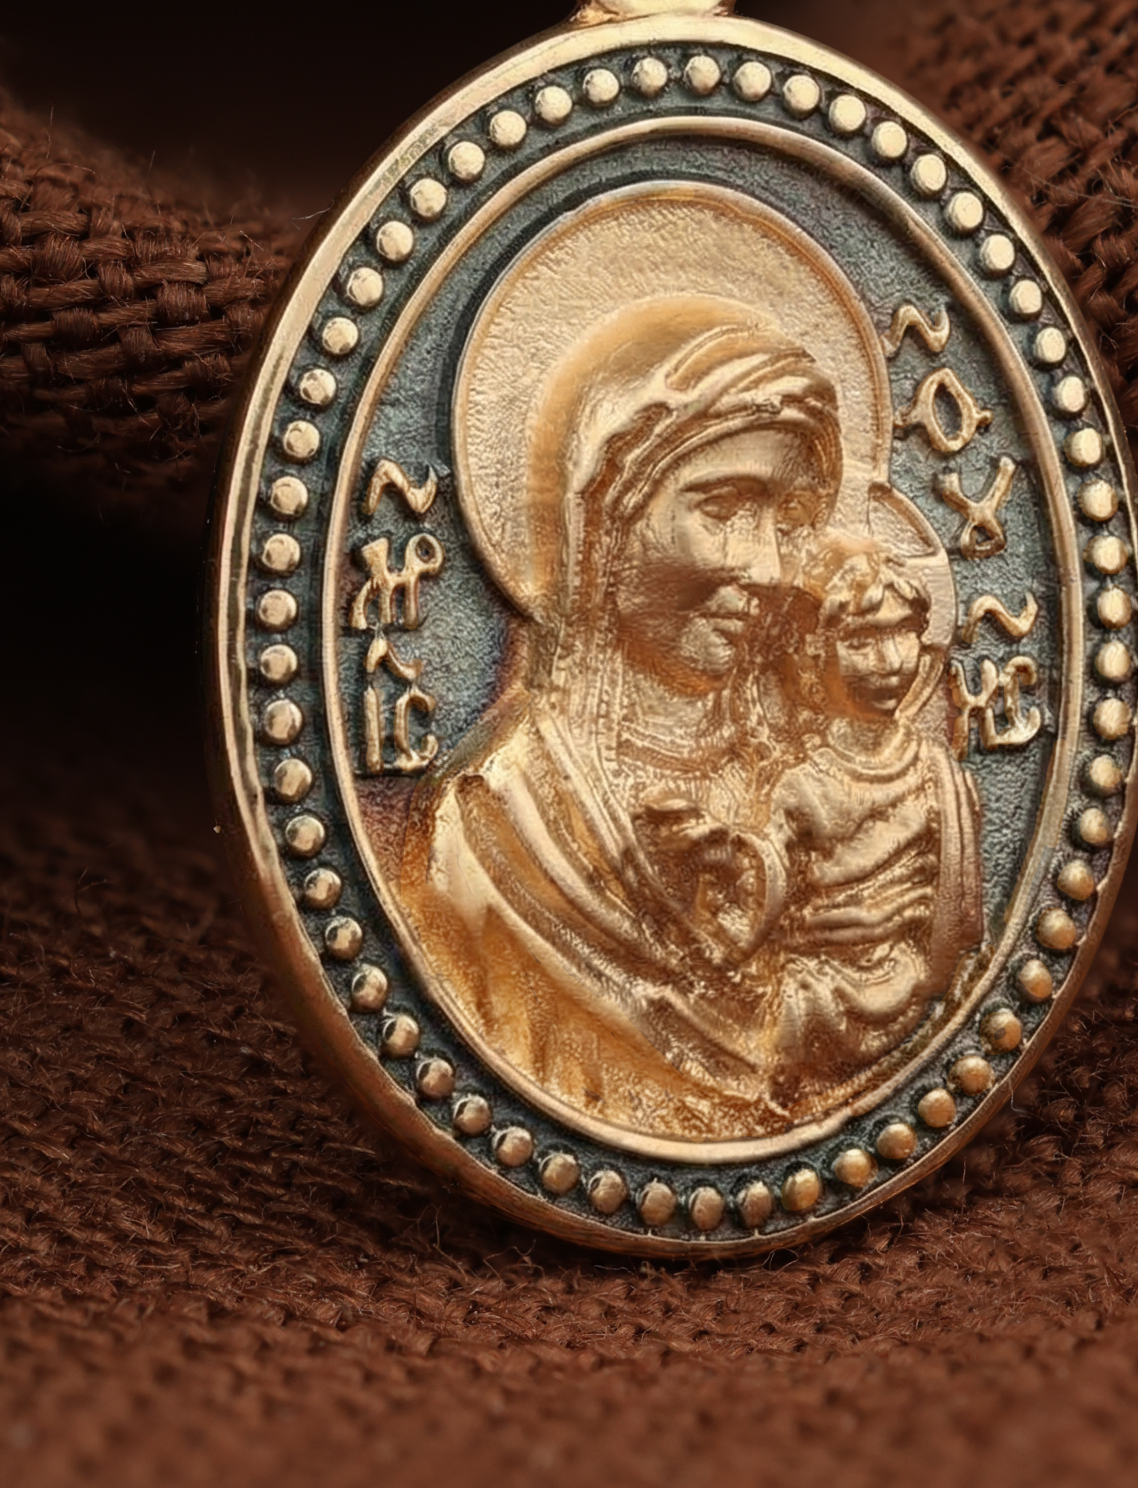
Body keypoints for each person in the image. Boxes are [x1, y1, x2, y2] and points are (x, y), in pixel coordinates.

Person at [396, 294, 842, 1140]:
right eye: (722, 510)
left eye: (789, 522)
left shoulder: (818, 785)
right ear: (608, 524)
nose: (768, 567)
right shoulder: (500, 823)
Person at [768, 535, 986, 1106]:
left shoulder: (941, 775)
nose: (889, 662)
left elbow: (961, 928)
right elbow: (760, 921)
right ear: (816, 652)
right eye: (861, 641)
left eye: (902, 634)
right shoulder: (794, 786)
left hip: (915, 985)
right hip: (808, 1001)